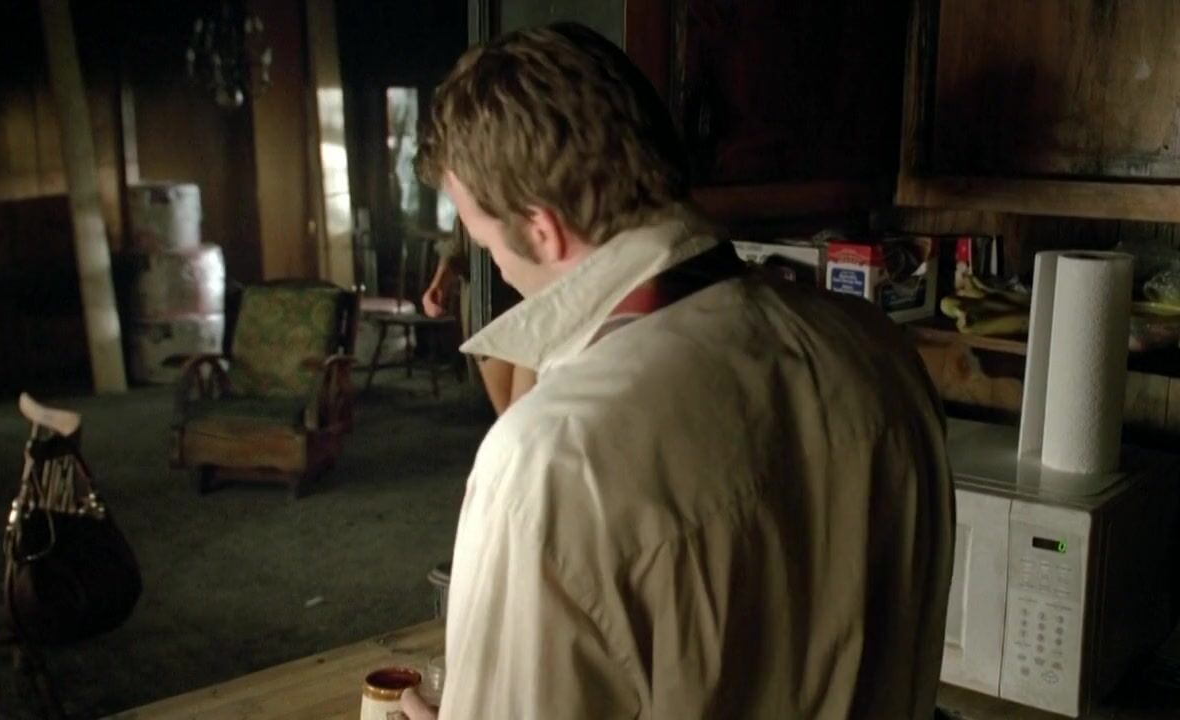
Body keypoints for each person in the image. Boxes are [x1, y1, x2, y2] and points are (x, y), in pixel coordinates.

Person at [402, 22, 954, 720]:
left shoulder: (549, 460)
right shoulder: (881, 351)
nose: (500, 271)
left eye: (487, 244)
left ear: (542, 230)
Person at [422, 222, 536, 415]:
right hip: (485, 310)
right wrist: (439, 283)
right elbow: (457, 245)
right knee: (506, 413)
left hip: (528, 308)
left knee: (521, 412)